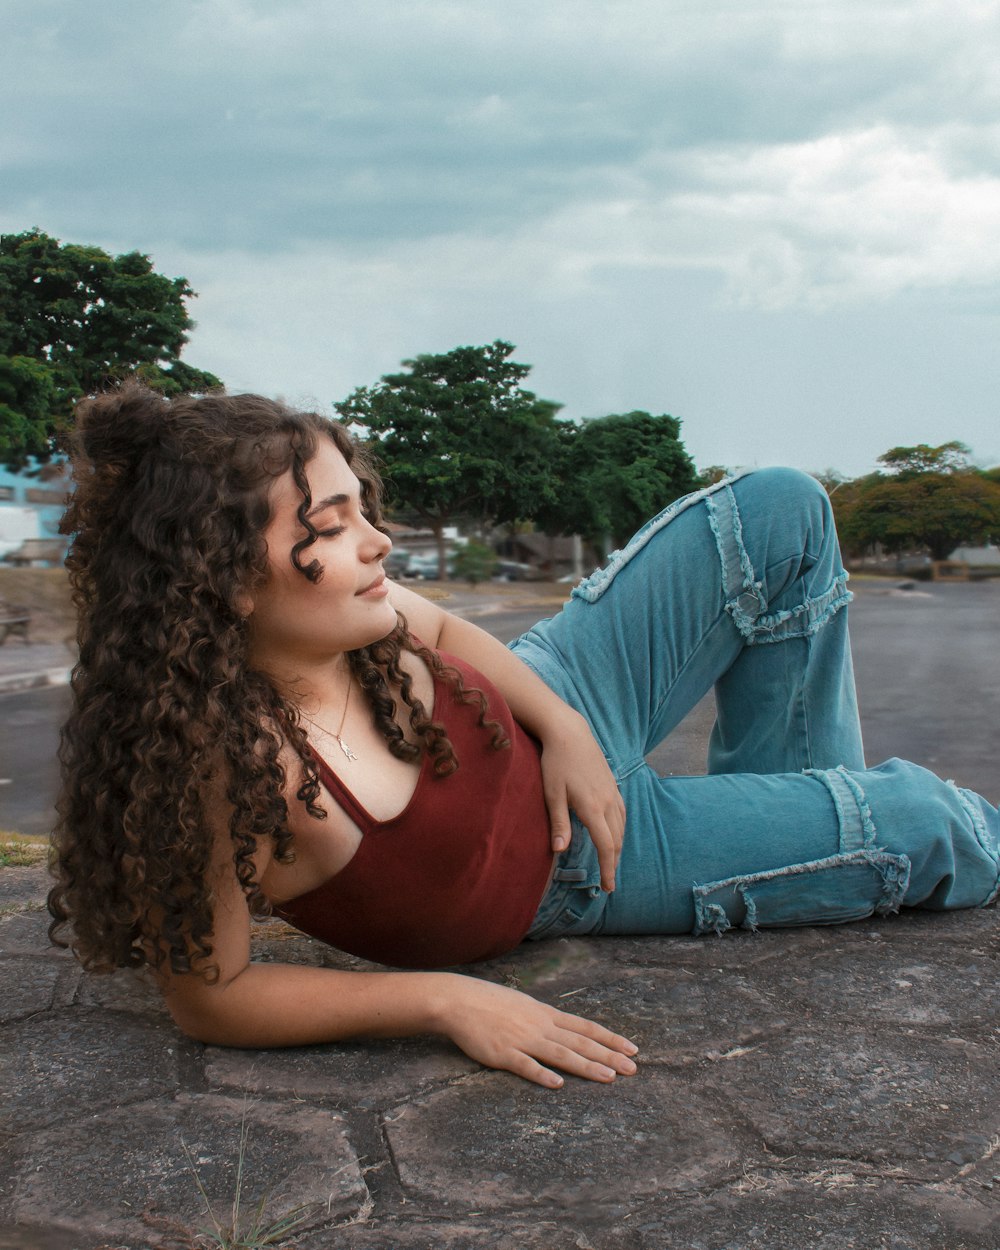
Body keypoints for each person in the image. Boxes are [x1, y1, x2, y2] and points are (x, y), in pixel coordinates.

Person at [49, 382, 1000, 1091]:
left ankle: (808, 828)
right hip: (575, 863)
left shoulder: (360, 611)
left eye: (362, 509)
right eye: (333, 529)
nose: (378, 541)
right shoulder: (228, 769)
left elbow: (455, 634)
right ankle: (826, 832)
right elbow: (212, 997)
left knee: (782, 507)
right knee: (927, 824)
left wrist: (569, 726)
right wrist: (443, 999)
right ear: (227, 583)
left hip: (553, 696)